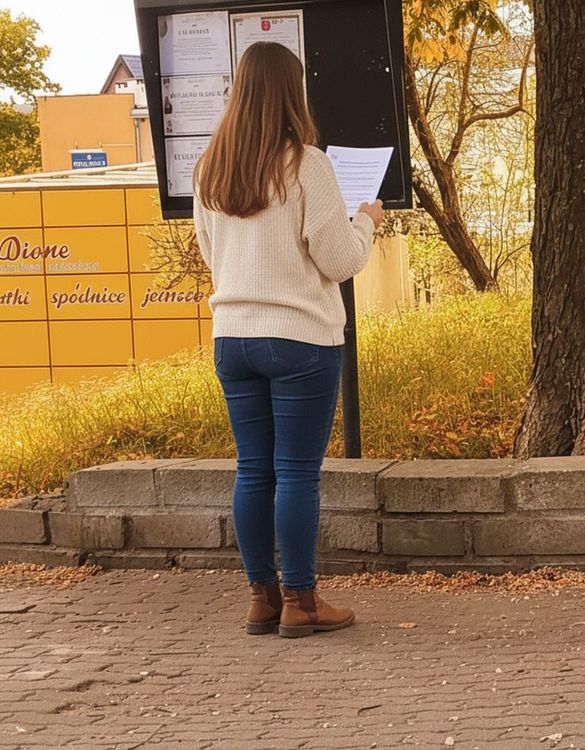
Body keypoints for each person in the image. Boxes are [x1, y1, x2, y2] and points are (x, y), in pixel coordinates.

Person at [192, 41, 384, 638]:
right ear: (292, 94)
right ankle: (302, 602)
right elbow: (340, 261)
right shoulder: (307, 165)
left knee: (254, 468)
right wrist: (367, 221)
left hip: (233, 338)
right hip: (299, 339)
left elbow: (212, 255)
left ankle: (262, 599)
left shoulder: (210, 168)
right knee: (297, 472)